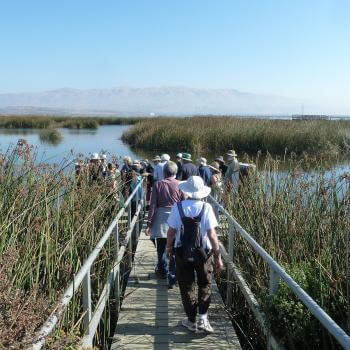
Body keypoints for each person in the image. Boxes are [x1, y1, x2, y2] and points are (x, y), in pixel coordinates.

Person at [166, 176, 224, 333]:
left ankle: (191, 319)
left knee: (186, 285)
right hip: (203, 253)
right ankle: (203, 318)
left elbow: (171, 232)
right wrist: (218, 257)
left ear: (186, 191)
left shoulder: (177, 207)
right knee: (205, 283)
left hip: (182, 252)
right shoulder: (207, 208)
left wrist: (168, 248)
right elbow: (212, 235)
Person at [145, 161, 183, 287]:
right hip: (176, 216)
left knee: (161, 246)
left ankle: (162, 270)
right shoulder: (180, 184)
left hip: (161, 217)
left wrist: (149, 224)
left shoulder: (158, 184)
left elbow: (153, 205)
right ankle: (173, 272)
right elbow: (184, 203)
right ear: (175, 172)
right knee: (174, 246)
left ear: (164, 172)